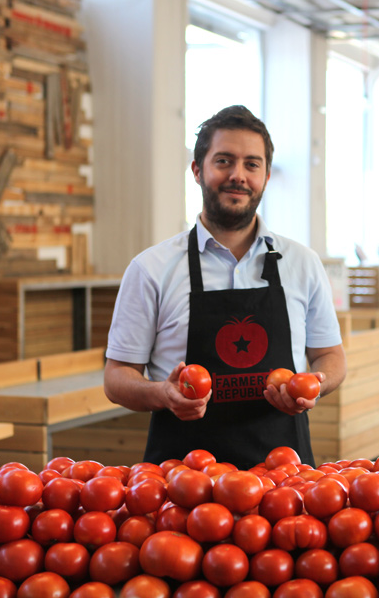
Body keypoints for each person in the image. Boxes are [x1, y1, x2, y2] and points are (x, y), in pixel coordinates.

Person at [103, 105, 346, 469]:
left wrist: (314, 385)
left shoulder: (302, 263)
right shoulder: (151, 269)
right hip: (182, 480)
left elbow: (332, 358)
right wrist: (162, 393)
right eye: (223, 161)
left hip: (283, 477)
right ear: (198, 170)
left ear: (266, 175)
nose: (238, 175)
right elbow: (116, 376)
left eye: (252, 164)